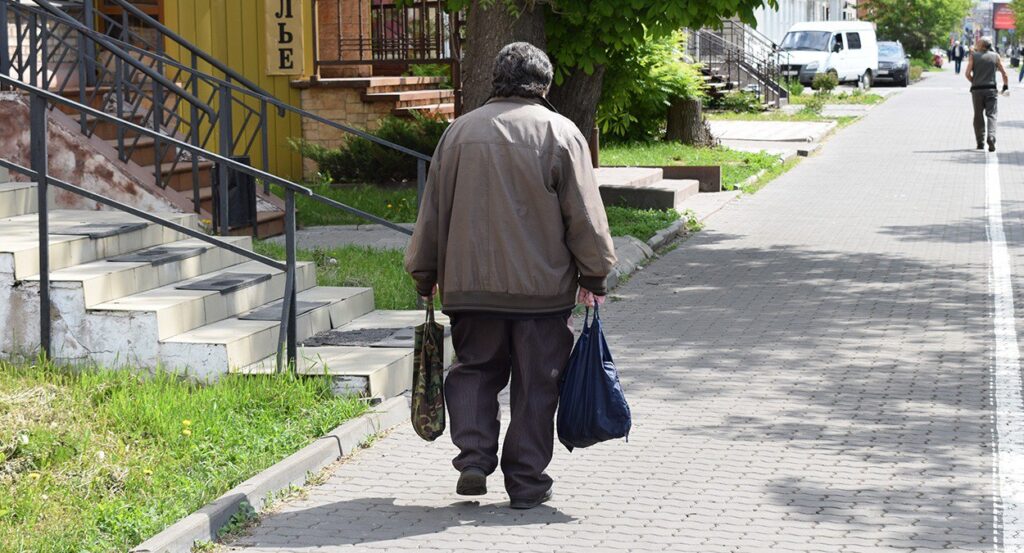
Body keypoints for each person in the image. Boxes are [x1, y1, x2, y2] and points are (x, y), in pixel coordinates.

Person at [404, 42, 617, 509]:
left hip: (470, 288)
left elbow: (433, 211)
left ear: (495, 81)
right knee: (537, 384)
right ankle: (525, 482)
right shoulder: (561, 133)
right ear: (543, 84)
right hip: (541, 294)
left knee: (474, 371)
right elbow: (583, 214)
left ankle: (475, 459)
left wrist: (424, 273)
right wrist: (595, 273)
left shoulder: (458, 134)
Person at [966, 36, 1010, 152]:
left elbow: (967, 73)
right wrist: (1005, 87)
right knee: (992, 115)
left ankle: (980, 142)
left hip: (976, 90)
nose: (977, 43)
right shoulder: (995, 56)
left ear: (982, 45)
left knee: (978, 115)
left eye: (978, 42)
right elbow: (1004, 74)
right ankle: (991, 137)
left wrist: (974, 81)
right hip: (991, 90)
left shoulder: (973, 56)